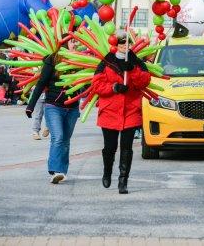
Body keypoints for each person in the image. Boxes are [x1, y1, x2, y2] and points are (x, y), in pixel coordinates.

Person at [92, 31, 151, 194]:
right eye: (121, 43)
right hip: (110, 110)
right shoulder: (106, 61)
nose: (125, 46)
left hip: (130, 110)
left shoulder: (136, 62)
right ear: (115, 44)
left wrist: (132, 69)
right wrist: (114, 88)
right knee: (109, 147)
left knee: (127, 148)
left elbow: (144, 81)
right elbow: (96, 85)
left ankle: (123, 180)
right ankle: (107, 172)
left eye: (127, 43)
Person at [26, 40, 79, 184]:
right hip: (53, 106)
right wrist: (30, 105)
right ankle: (57, 171)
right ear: (65, 43)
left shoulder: (79, 60)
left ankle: (60, 169)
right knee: (58, 137)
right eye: (73, 42)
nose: (75, 44)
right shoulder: (52, 60)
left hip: (72, 108)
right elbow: (41, 83)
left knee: (65, 141)